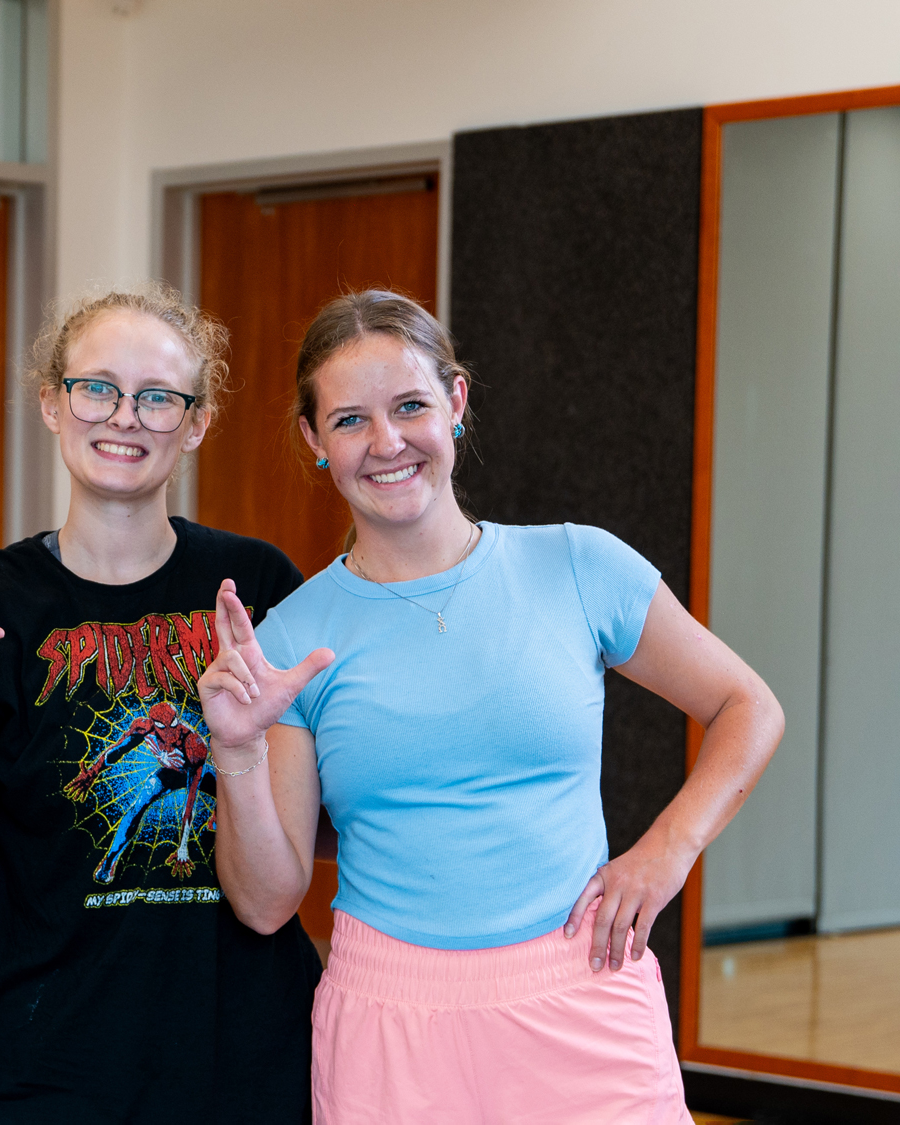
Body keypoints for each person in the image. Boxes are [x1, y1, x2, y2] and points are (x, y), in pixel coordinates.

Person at [203, 289, 783, 1124]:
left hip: (585, 992)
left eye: (410, 406)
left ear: (457, 403)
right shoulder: (293, 636)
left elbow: (747, 705)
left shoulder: (578, 565)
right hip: (390, 1027)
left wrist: (668, 850)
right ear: (314, 441)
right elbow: (265, 901)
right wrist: (237, 752)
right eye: (349, 420)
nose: (387, 442)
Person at [0, 285, 328, 1122]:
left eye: (159, 397)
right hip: (38, 1071)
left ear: (197, 423)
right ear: (52, 401)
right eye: (97, 387)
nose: (126, 417)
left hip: (241, 1063)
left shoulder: (258, 588)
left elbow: (289, 868)